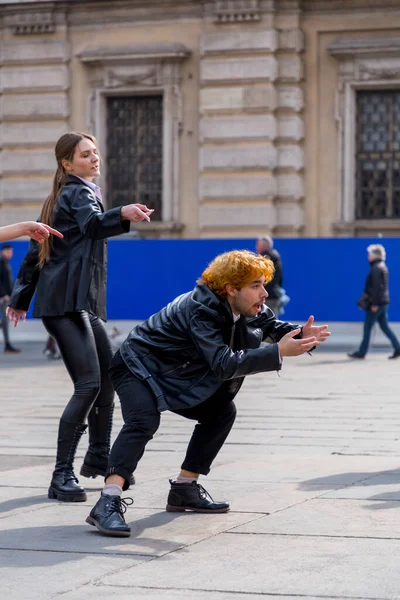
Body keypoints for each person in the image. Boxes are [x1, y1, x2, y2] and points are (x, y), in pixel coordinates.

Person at [85, 249, 330, 537]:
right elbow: (224, 364)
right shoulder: (200, 310)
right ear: (230, 288)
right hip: (136, 364)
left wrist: (300, 336)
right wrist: (277, 352)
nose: (264, 293)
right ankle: (108, 501)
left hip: (175, 370)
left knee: (221, 412)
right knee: (144, 420)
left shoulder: (249, 306)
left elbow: (272, 327)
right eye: (256, 285)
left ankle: (184, 489)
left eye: (264, 284)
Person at [7, 131, 153, 503]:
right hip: (66, 304)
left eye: (95, 152)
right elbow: (91, 225)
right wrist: (122, 213)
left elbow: (35, 249)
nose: (94, 158)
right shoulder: (79, 192)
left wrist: (22, 297)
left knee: (107, 381)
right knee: (89, 386)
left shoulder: (64, 194)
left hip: (77, 303)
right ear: (66, 164)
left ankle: (100, 458)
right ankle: (61, 475)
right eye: (85, 154)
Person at [348, 244, 400, 360]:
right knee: (385, 326)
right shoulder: (382, 266)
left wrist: (375, 303)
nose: (368, 256)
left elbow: (376, 288)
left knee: (367, 326)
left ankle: (362, 352)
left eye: (370, 254)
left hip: (378, 303)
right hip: (383, 302)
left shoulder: (376, 268)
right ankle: (397, 348)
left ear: (374, 255)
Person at [0, 245, 21, 354]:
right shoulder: (1, 261)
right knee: (4, 321)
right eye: (9, 251)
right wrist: (4, 294)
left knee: (5, 321)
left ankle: (7, 345)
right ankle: (7, 345)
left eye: (11, 252)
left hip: (6, 296)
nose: (11, 254)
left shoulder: (5, 262)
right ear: (4, 251)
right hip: (2, 297)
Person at [255, 236, 283, 314]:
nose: (256, 247)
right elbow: (280, 279)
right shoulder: (277, 258)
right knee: (273, 321)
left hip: (266, 296)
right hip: (274, 294)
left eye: (258, 245)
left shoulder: (262, 259)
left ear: (263, 246)